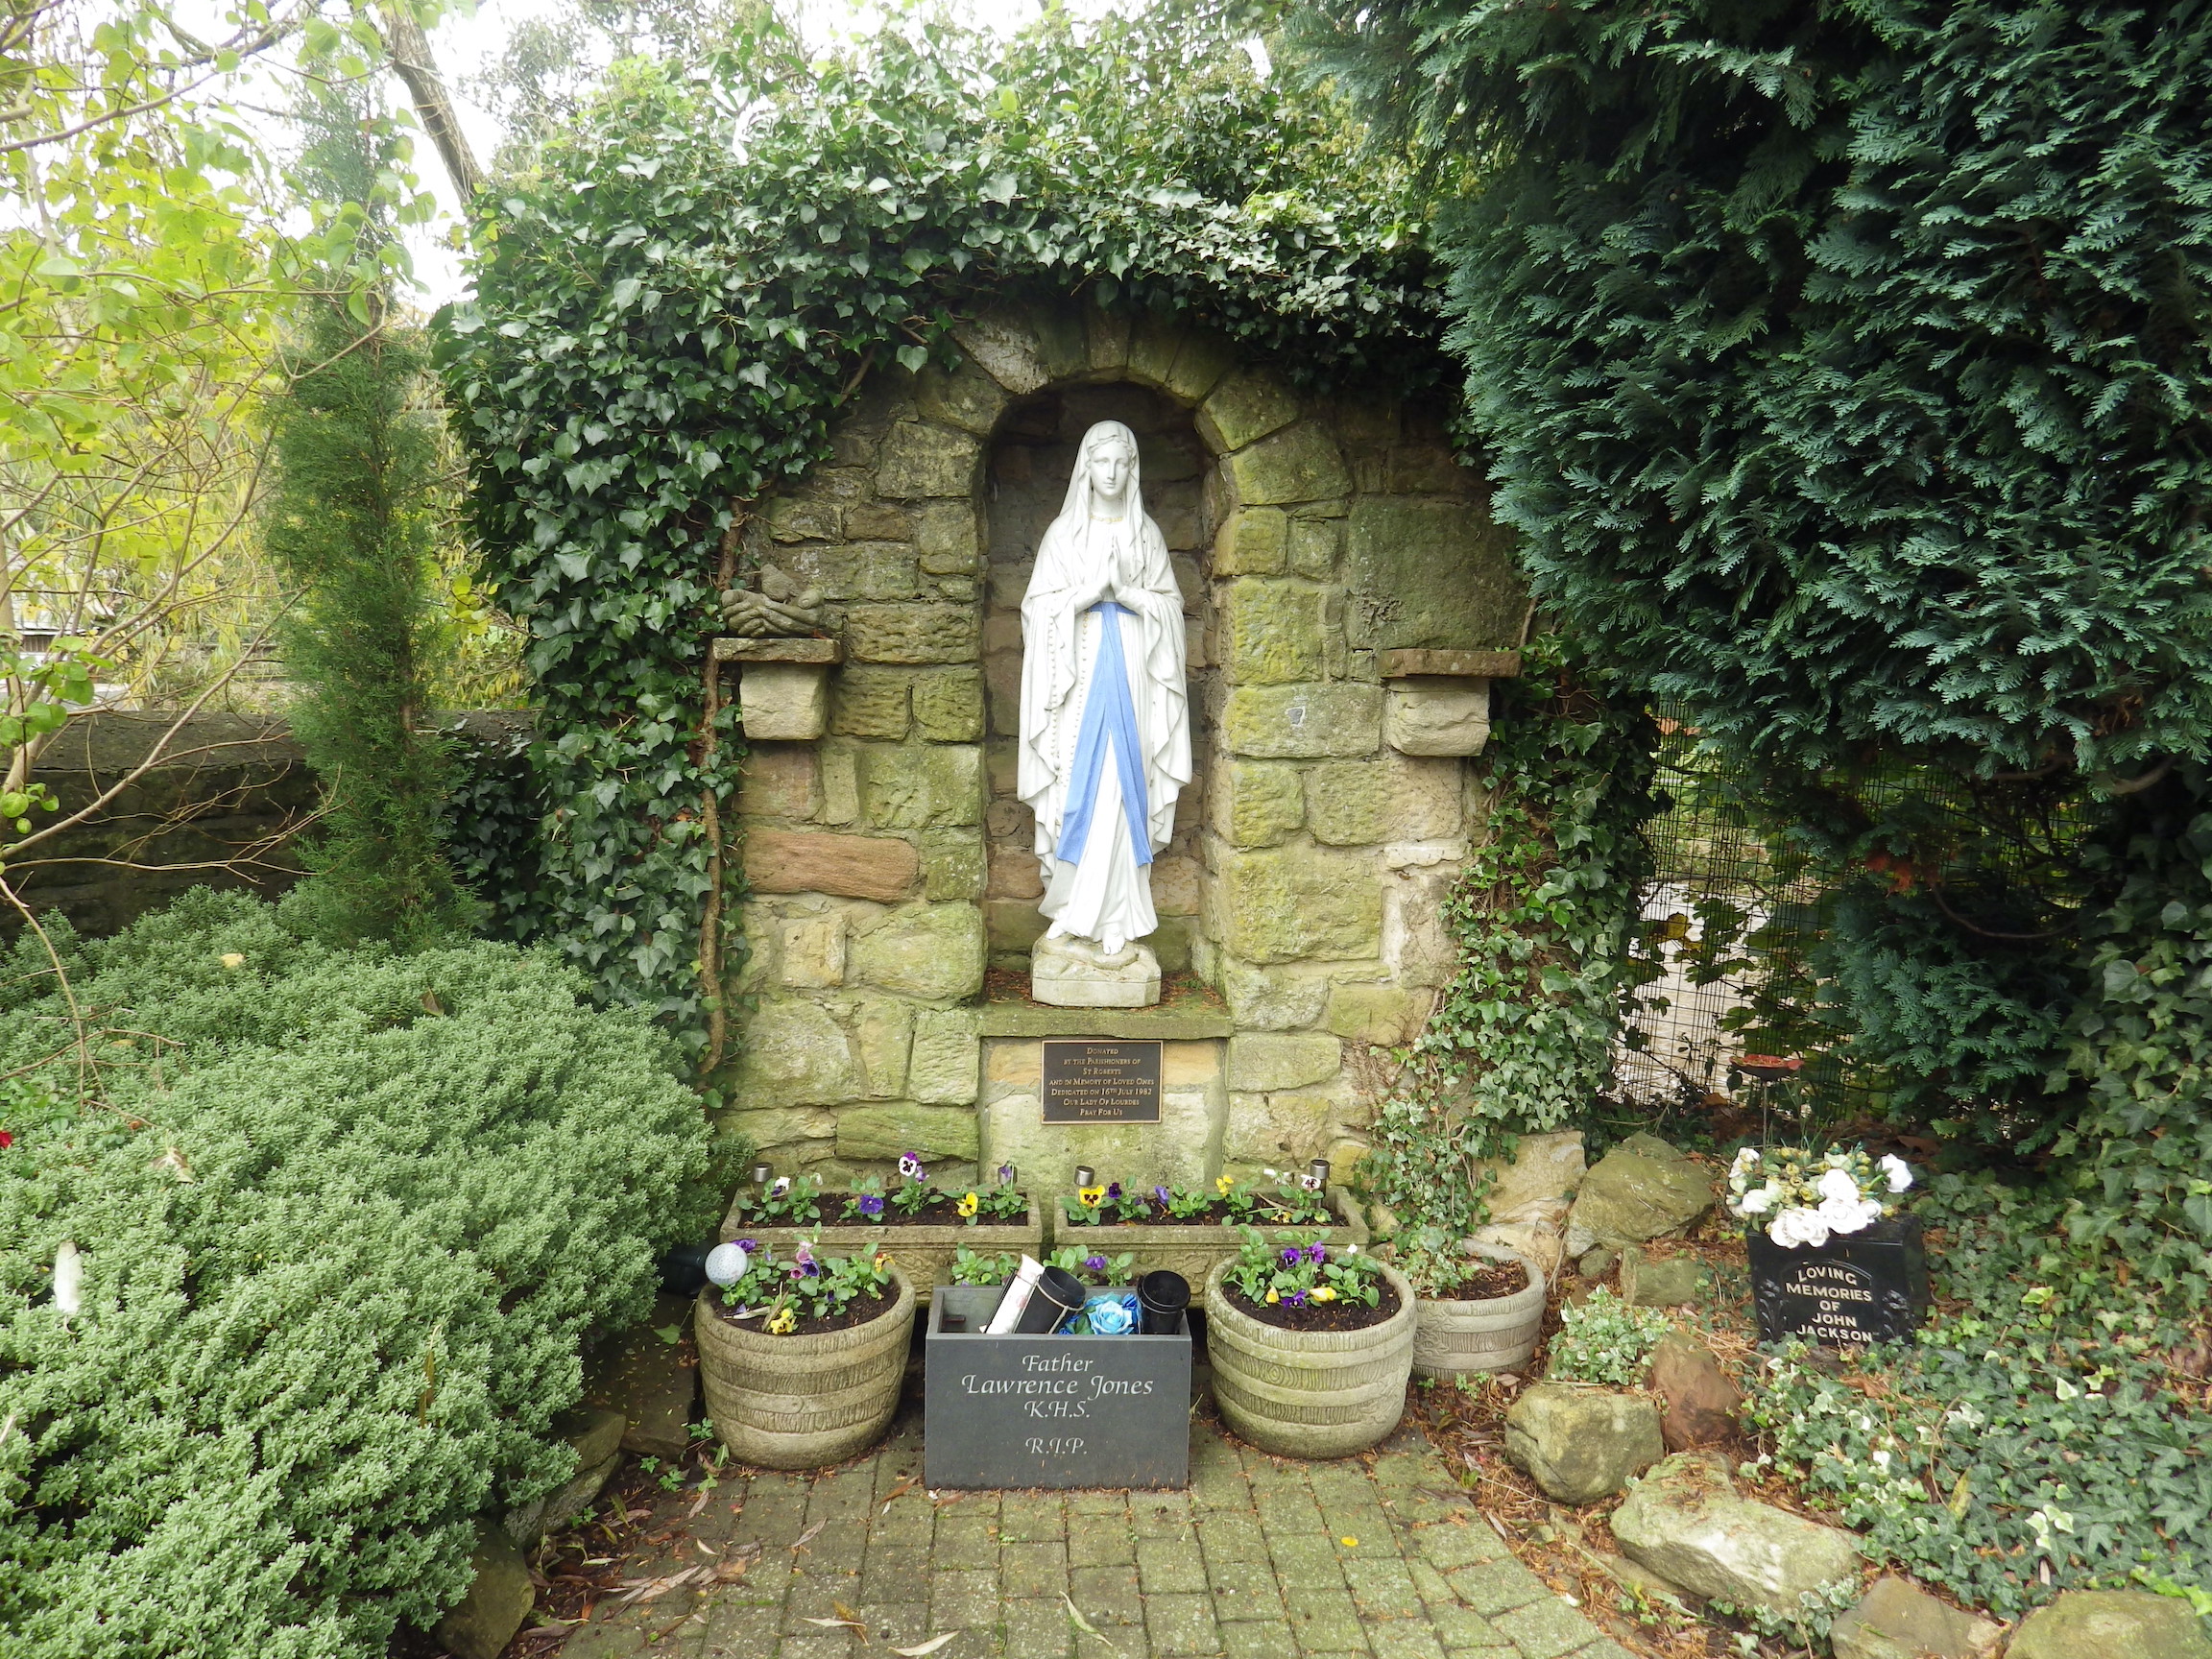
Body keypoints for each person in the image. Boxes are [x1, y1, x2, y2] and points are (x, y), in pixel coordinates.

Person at [1017, 420, 1191, 959]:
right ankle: (1071, 912)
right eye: (1102, 463)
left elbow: (1171, 609)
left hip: (1135, 679)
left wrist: (1134, 597)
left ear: (1132, 468)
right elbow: (1035, 610)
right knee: (1078, 789)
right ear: (1086, 468)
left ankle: (1118, 913)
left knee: (1122, 786)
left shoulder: (1147, 536)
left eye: (1121, 463)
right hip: (1076, 684)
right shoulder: (1062, 536)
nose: (1111, 474)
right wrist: (1085, 595)